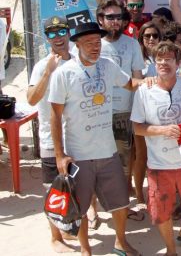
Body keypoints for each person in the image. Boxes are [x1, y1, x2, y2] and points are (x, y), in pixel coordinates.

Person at [49, 21, 144, 256]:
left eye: (97, 42)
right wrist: (60, 155)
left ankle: (121, 242)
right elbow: (55, 116)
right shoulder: (63, 73)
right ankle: (85, 248)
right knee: (80, 205)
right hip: (79, 153)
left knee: (121, 201)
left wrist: (150, 81)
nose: (95, 47)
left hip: (108, 150)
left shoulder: (108, 65)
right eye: (89, 42)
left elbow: (130, 84)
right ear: (77, 44)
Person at [131, 41, 181, 256]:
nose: (163, 63)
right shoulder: (144, 91)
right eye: (159, 59)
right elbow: (137, 128)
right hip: (158, 165)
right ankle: (170, 251)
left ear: (178, 63)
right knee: (160, 213)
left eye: (168, 59)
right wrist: (162, 131)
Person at [27, 16, 74, 252]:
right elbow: (32, 99)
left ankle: (67, 226)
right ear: (47, 38)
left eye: (61, 32)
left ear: (68, 32)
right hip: (50, 140)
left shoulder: (78, 60)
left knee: (76, 187)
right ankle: (55, 237)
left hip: (78, 139)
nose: (58, 38)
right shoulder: (41, 66)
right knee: (53, 189)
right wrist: (48, 72)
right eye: (52, 34)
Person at [96, 0, 146, 214]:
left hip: (124, 112)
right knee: (93, 161)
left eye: (119, 17)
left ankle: (122, 206)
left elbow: (137, 79)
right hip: (95, 112)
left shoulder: (133, 44)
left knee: (124, 164)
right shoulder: (92, 43)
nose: (115, 21)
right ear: (100, 20)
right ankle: (92, 208)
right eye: (110, 17)